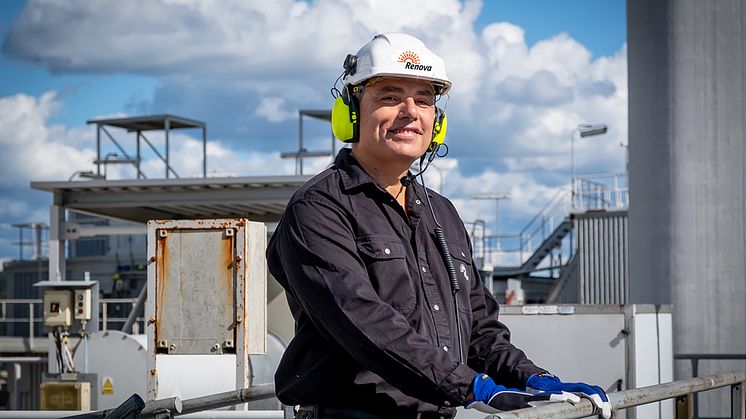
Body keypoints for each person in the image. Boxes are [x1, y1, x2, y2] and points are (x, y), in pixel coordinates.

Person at [266, 32, 611, 419]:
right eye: (390, 96)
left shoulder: (441, 213)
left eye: (425, 100)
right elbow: (362, 321)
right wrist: (471, 387)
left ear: (437, 122)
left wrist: (533, 379)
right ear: (350, 113)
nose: (411, 111)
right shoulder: (319, 208)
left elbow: (480, 326)